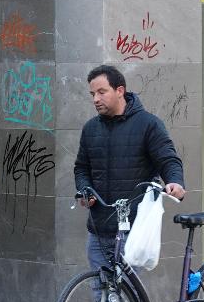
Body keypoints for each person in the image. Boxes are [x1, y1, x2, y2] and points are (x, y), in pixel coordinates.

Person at [74, 64, 186, 270]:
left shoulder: (148, 124)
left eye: (101, 92)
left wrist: (175, 181)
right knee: (100, 288)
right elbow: (81, 168)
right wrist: (84, 190)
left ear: (120, 91)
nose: (95, 99)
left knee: (125, 289)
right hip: (98, 230)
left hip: (134, 229)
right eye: (92, 94)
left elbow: (168, 159)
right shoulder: (90, 128)